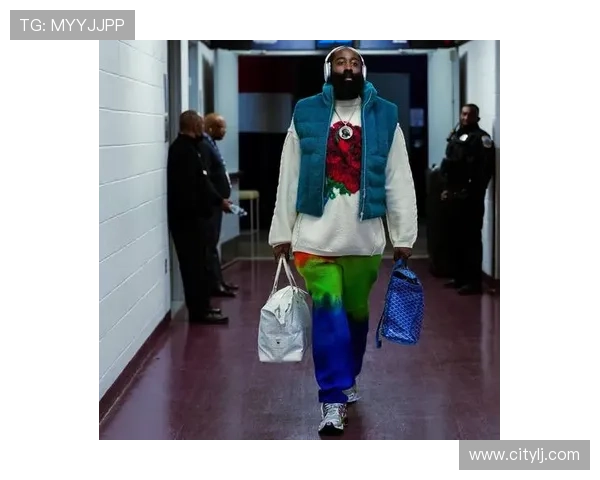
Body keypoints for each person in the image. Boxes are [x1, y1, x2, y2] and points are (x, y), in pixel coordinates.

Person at [268, 46, 418, 435]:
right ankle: (332, 398)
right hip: (313, 239)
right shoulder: (306, 112)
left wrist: (403, 235)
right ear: (328, 70)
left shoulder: (385, 115)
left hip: (363, 241)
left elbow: (398, 178)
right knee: (329, 315)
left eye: (354, 63)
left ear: (363, 70)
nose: (347, 68)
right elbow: (289, 174)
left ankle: (347, 377)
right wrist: (281, 231)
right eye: (340, 62)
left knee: (355, 318)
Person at [166, 110, 231, 324]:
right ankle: (199, 311)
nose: (203, 128)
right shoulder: (183, 150)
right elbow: (199, 184)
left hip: (195, 219)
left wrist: (217, 201)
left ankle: (204, 307)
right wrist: (218, 201)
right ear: (194, 125)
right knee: (193, 268)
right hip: (188, 221)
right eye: (201, 124)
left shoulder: (192, 148)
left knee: (200, 265)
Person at [440, 104, 495, 295]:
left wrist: (475, 191)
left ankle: (473, 282)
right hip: (454, 194)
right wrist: (446, 189)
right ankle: (459, 277)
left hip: (471, 196)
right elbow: (450, 164)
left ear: (476, 117)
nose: (465, 118)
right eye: (463, 114)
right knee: (456, 238)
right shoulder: (457, 136)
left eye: (469, 115)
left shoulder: (482, 139)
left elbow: (485, 170)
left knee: (471, 238)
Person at [199, 113, 238, 298]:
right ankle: (214, 285)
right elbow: (206, 179)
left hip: (218, 203)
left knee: (214, 244)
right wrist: (218, 199)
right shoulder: (204, 146)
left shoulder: (211, 144)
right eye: (221, 127)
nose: (224, 131)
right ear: (210, 128)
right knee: (210, 246)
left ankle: (219, 281)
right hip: (211, 205)